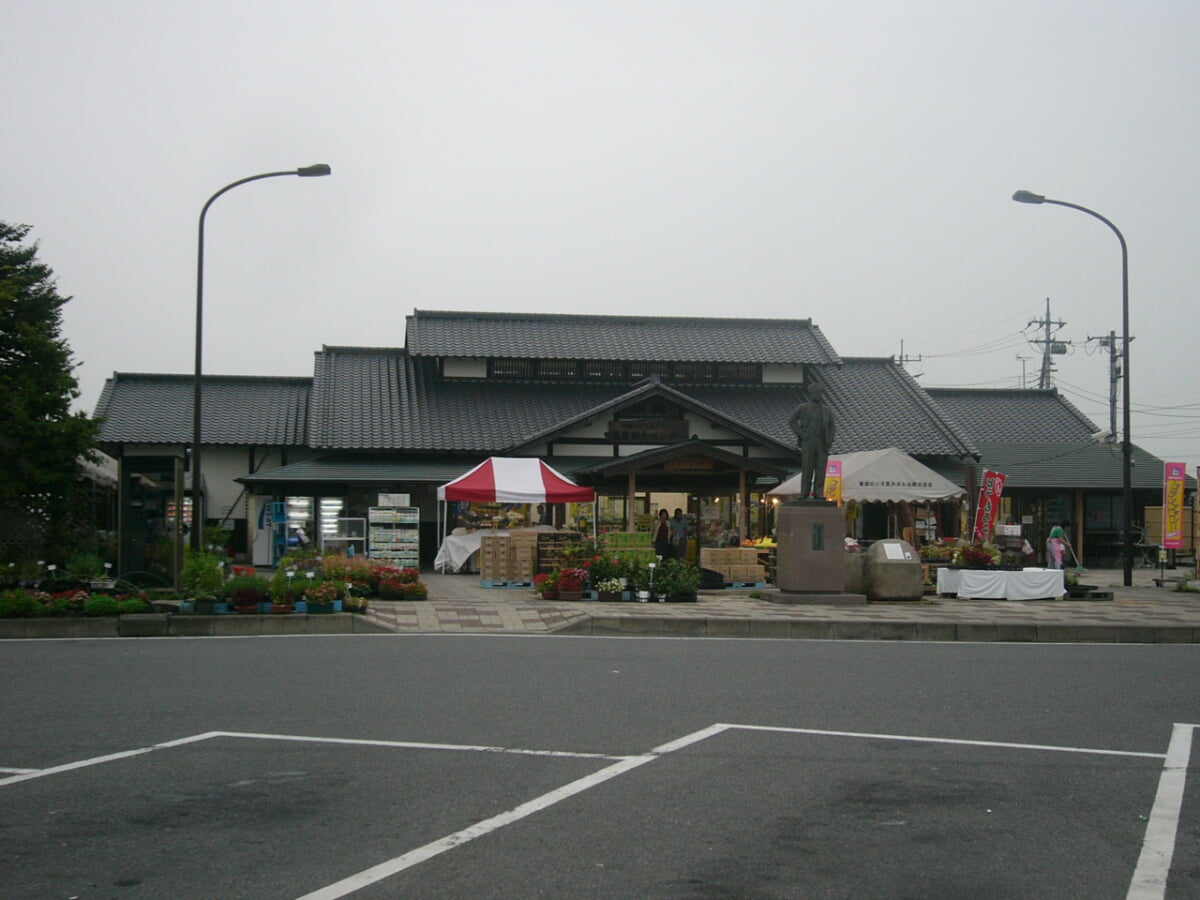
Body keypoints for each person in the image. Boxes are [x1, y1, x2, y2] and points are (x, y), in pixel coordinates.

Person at [787, 382, 836, 499]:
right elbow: (792, 421)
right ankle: (804, 492)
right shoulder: (802, 408)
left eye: (821, 392)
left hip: (822, 443)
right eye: (817, 392)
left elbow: (832, 426)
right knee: (807, 467)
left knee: (821, 468)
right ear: (811, 393)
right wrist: (801, 434)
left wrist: (829, 440)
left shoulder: (827, 410)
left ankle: (818, 492)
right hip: (808, 441)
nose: (820, 395)